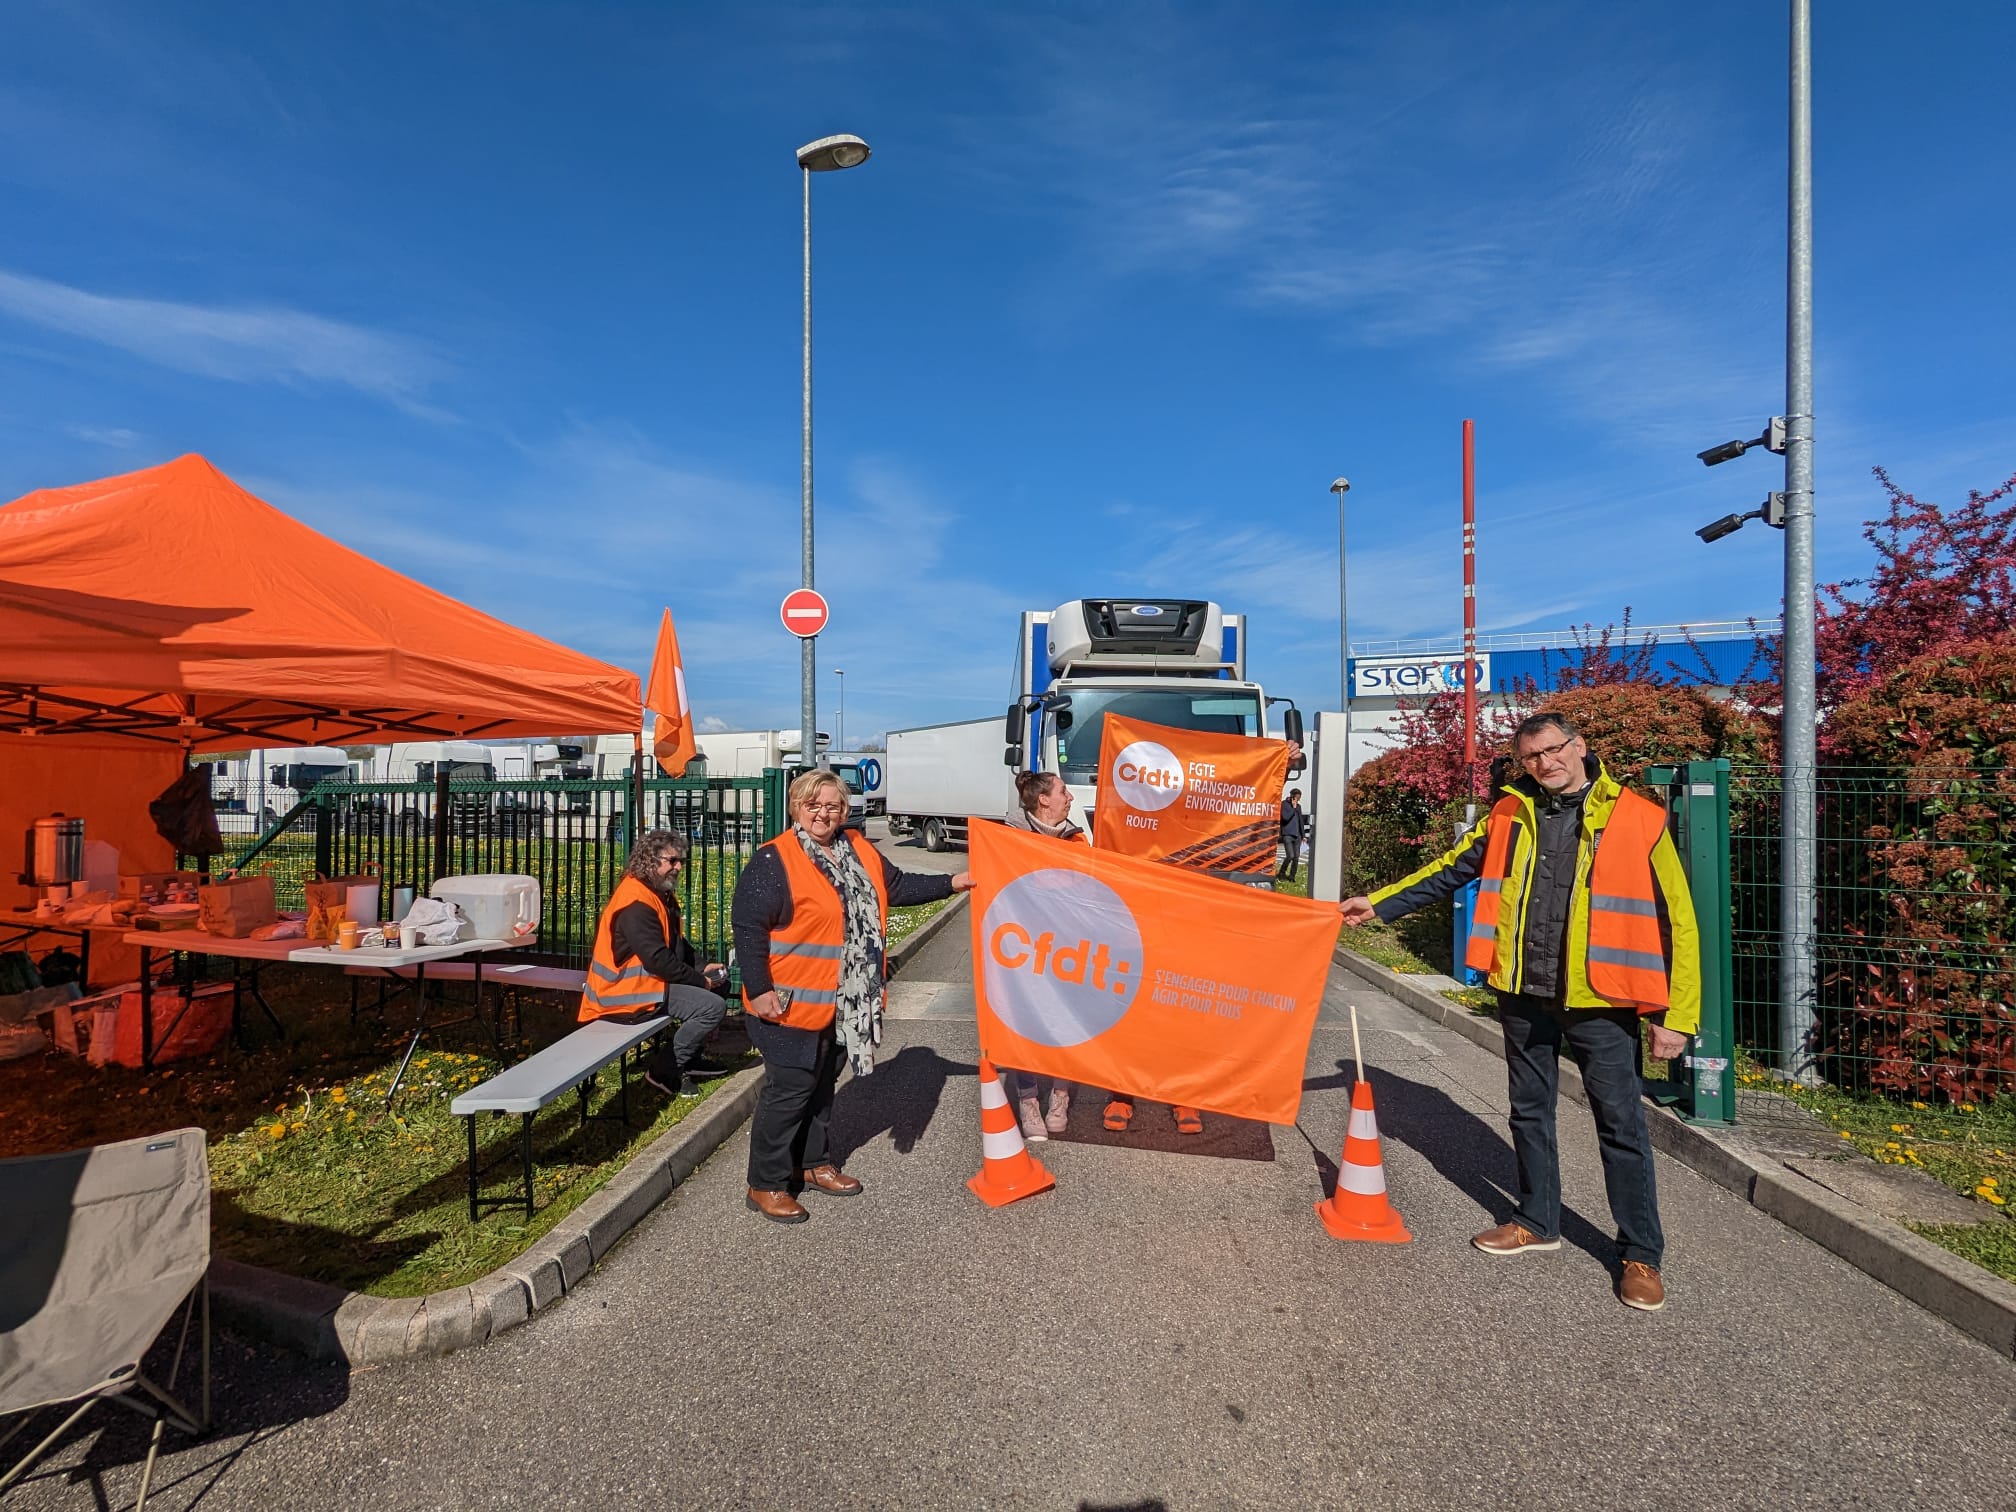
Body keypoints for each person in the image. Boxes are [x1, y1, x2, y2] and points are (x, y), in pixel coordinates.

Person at [1338, 713, 1699, 1312]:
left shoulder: (1638, 816)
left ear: (1579, 747)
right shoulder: (1509, 813)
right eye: (1531, 757)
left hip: (1603, 1001)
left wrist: (1677, 1014)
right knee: (1528, 1113)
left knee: (1621, 1128)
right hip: (1523, 992)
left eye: (1553, 751)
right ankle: (1536, 1220)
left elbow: (1679, 922)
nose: (1544, 764)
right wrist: (1375, 904)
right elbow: (1451, 870)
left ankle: (1640, 1253)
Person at [733, 770, 973, 1224]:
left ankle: (812, 1164)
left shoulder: (859, 849)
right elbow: (749, 928)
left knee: (823, 1087)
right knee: (790, 1091)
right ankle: (765, 1183)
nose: (823, 814)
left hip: (845, 1003)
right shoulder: (774, 859)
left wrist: (953, 883)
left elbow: (898, 887)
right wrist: (760, 989)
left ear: (845, 810)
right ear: (796, 808)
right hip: (787, 1002)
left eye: (832, 805)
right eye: (813, 805)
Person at [578, 829, 731, 1098]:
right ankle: (664, 1070)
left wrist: (703, 967)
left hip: (646, 985)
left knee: (719, 982)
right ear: (650, 860)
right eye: (672, 861)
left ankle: (689, 1059)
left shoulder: (657, 893)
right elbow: (658, 960)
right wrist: (699, 980)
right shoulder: (636, 902)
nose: (679, 867)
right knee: (711, 1007)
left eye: (680, 860)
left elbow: (675, 944)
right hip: (623, 995)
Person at [1001, 771, 1085, 1140]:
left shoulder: (1077, 839)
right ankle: (1029, 1099)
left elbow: (1091, 889)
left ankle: (1061, 1095)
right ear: (1043, 800)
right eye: (1064, 792)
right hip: (1025, 952)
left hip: (1068, 951)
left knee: (1066, 1023)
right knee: (1028, 1027)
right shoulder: (1008, 839)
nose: (1070, 799)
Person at [1277, 787, 1308, 882]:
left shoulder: (1299, 807)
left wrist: (1303, 836)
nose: (1298, 800)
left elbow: (1300, 822)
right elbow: (1285, 818)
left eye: (1299, 798)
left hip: (1297, 836)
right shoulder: (1284, 804)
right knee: (1290, 855)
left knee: (1296, 857)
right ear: (1292, 797)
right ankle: (1282, 872)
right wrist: (1293, 808)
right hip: (1287, 835)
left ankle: (1292, 876)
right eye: (1297, 798)